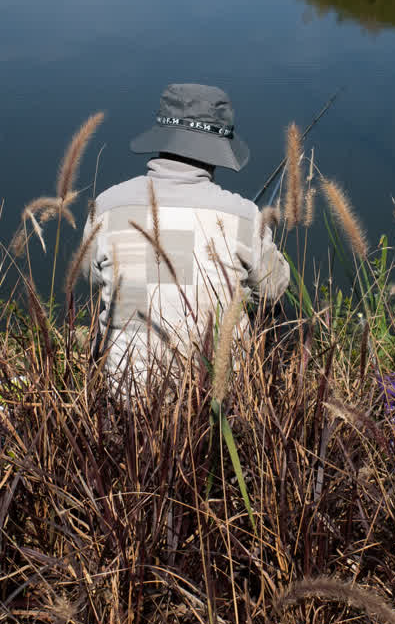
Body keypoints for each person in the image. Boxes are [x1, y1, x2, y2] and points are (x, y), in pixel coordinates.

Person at [86, 83, 290, 399]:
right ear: (218, 150)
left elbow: (91, 276)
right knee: (278, 313)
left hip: (123, 397)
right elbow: (274, 289)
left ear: (162, 138)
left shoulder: (107, 205)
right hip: (215, 402)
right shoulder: (244, 216)